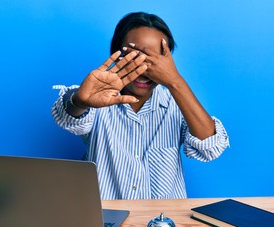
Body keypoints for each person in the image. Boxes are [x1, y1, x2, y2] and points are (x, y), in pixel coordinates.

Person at [52, 12, 229, 200]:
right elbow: (68, 116)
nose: (145, 71)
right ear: (116, 55)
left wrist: (175, 81)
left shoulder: (177, 103)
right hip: (105, 219)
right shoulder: (96, 96)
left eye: (155, 62)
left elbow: (211, 147)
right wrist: (80, 100)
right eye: (135, 58)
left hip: (163, 222)